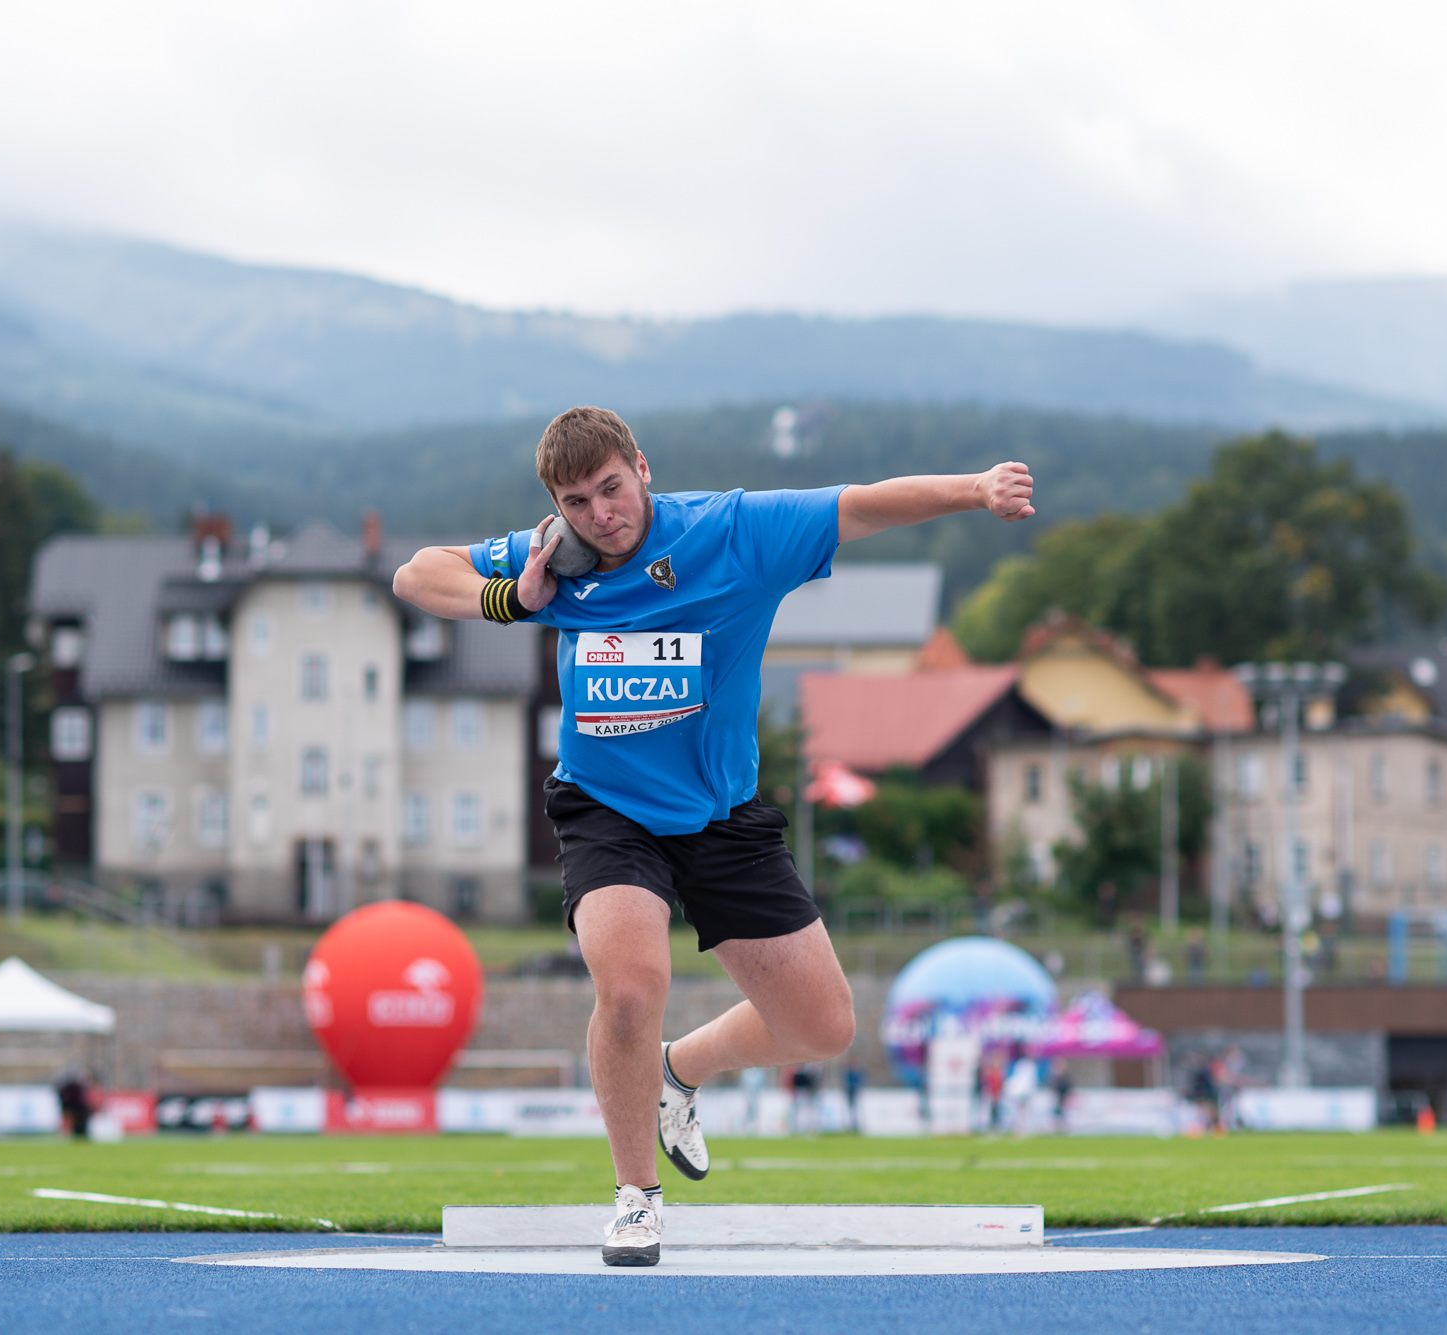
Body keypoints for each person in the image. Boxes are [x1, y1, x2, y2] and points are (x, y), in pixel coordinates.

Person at [394, 407, 1035, 1265]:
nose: (600, 516)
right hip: (606, 809)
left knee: (822, 1028)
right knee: (628, 986)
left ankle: (680, 1070)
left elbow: (865, 504)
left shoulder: (735, 531)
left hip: (721, 814)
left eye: (612, 490)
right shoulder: (555, 555)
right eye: (576, 501)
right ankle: (635, 1198)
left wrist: (975, 489)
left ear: (643, 468)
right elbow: (414, 574)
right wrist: (511, 596)